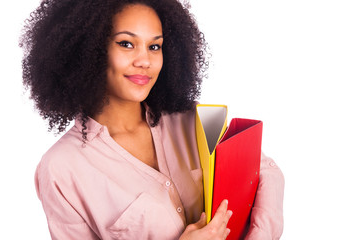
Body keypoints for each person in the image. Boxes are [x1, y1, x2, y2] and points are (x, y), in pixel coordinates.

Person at [20, 0, 284, 239]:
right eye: (126, 44)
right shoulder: (61, 169)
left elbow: (265, 172)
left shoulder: (192, 120)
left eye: (154, 46)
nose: (145, 60)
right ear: (88, 49)